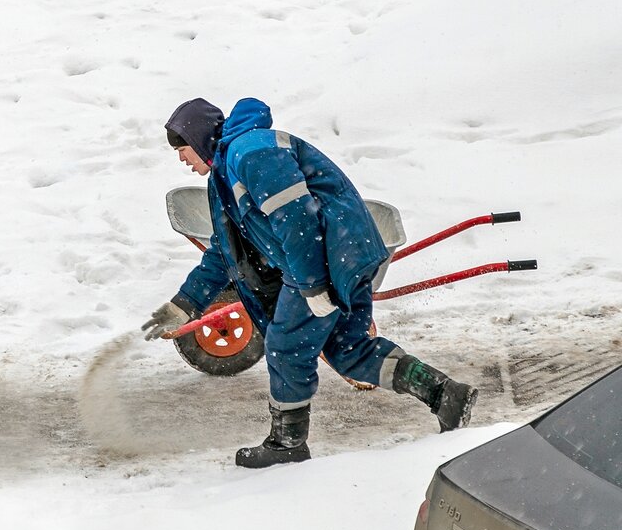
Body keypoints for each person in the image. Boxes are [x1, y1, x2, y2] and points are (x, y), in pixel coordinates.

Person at [142, 97, 477, 468]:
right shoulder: (225, 175)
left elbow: (297, 220)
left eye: (182, 148)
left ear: (199, 138)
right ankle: (445, 394)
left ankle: (287, 444)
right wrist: (183, 304)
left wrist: (313, 285)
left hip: (329, 258)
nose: (181, 159)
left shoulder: (250, 152)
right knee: (346, 350)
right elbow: (223, 253)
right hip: (342, 254)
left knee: (285, 346)